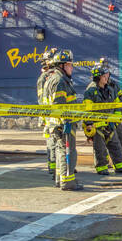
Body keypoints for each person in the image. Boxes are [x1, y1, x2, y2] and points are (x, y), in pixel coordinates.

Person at [44, 50, 83, 191]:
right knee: (68, 152)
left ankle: (61, 180)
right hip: (63, 124)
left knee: (61, 152)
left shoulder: (56, 79)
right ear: (62, 66)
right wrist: (65, 121)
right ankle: (67, 182)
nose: (72, 68)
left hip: (59, 123)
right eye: (69, 65)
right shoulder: (59, 81)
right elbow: (58, 105)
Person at [83, 63, 122, 176]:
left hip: (110, 124)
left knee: (115, 146)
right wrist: (89, 124)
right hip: (97, 125)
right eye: (105, 76)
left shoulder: (110, 89)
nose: (107, 77)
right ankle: (102, 167)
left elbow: (117, 104)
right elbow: (87, 110)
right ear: (99, 77)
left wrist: (116, 118)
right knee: (100, 149)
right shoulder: (91, 91)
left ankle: (119, 166)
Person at [37, 48, 57, 182]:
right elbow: (42, 100)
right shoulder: (44, 78)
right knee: (51, 142)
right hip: (49, 116)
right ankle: (53, 167)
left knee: (56, 141)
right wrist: (45, 118)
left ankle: (58, 166)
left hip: (52, 115)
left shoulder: (55, 75)